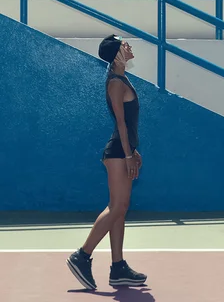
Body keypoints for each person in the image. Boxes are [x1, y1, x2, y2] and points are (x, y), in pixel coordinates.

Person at [66, 34, 147, 290]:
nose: (130, 46)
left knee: (120, 208)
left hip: (123, 151)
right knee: (117, 206)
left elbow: (129, 126)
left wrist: (133, 151)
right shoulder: (115, 83)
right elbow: (121, 124)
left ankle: (118, 267)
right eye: (125, 44)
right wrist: (126, 154)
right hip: (116, 153)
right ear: (117, 53)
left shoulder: (121, 79)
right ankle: (82, 256)